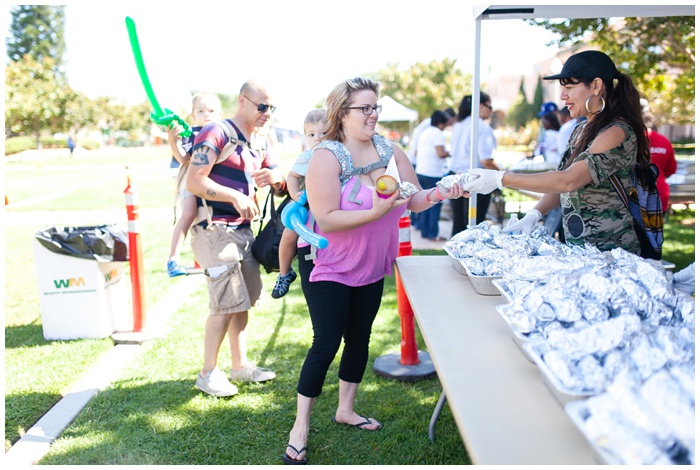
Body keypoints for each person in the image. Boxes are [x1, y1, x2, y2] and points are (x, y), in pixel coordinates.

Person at [282, 77, 464, 465]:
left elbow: (412, 199)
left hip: (370, 261)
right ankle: (300, 425)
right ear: (341, 114)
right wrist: (377, 212)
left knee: (360, 338)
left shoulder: (388, 148)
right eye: (364, 108)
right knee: (326, 341)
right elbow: (327, 220)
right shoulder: (326, 157)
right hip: (328, 261)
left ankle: (345, 409)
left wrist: (439, 193)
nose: (373, 114)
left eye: (375, 107)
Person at [463, 50, 651, 256]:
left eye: (569, 88)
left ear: (596, 86)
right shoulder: (581, 129)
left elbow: (568, 181)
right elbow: (560, 185)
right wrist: (535, 213)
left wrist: (501, 179)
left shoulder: (616, 131)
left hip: (612, 252)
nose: (563, 97)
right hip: (581, 251)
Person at [186, 79, 287, 397]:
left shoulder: (259, 141)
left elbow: (282, 181)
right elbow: (194, 181)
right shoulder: (216, 132)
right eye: (262, 106)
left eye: (271, 107)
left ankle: (239, 366)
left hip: (243, 231)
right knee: (225, 301)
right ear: (243, 102)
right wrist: (233, 196)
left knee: (242, 299)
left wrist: (276, 178)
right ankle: (207, 373)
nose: (267, 113)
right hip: (214, 229)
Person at [271, 109, 328, 299]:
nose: (317, 138)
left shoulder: (339, 154)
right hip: (305, 204)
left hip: (329, 205)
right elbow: (293, 176)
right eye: (312, 134)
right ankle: (284, 273)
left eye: (323, 133)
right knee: (288, 235)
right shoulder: (307, 157)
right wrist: (295, 195)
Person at [166, 92, 222, 277]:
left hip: (213, 184)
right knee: (188, 213)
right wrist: (173, 141)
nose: (206, 114)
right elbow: (183, 158)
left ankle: (212, 259)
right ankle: (173, 259)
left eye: (211, 110)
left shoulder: (223, 132)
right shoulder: (191, 133)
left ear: (220, 114)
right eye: (201, 110)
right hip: (192, 180)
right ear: (193, 115)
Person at [447, 92, 498, 235]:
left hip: (455, 176)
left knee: (458, 225)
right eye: (490, 106)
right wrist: (503, 174)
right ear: (481, 106)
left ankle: (452, 256)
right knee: (474, 227)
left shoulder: (458, 125)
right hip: (475, 179)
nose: (491, 111)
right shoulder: (481, 127)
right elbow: (486, 160)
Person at [414, 110, 451, 240]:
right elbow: (440, 153)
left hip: (421, 170)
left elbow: (416, 152)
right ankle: (432, 234)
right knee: (434, 204)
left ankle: (424, 231)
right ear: (441, 123)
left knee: (424, 203)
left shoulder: (425, 132)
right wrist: (451, 152)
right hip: (433, 172)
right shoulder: (438, 134)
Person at [643, 111, 677, 217]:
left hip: (639, 197)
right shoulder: (664, 141)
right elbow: (671, 170)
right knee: (657, 232)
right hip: (660, 193)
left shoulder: (633, 140)